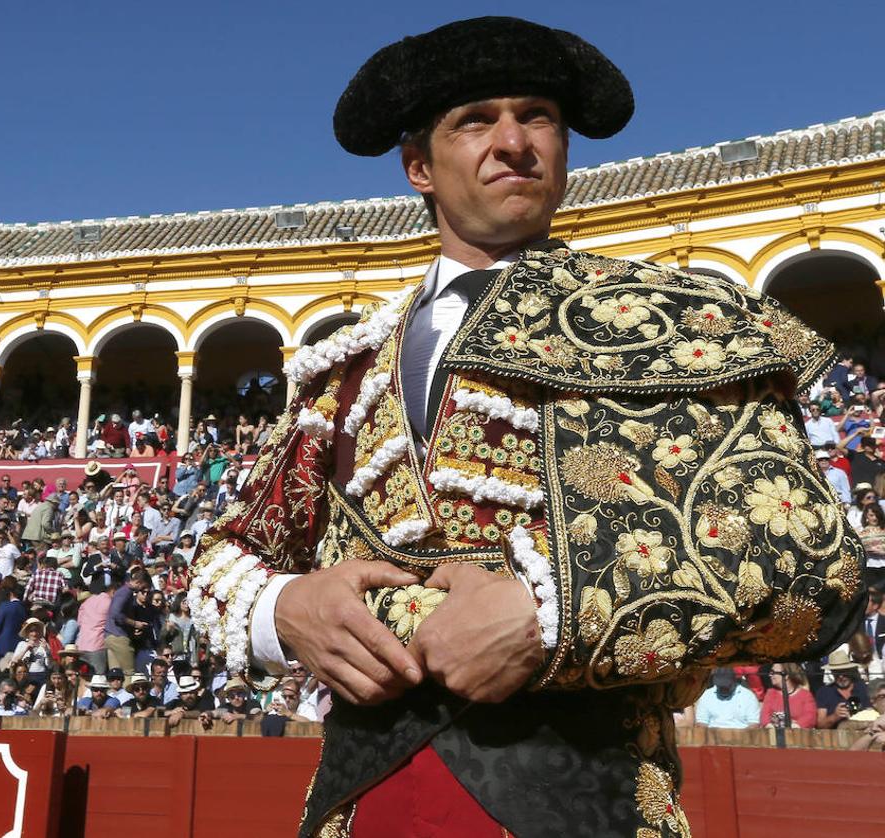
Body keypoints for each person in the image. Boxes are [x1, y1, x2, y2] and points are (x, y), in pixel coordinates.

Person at [187, 17, 867, 836]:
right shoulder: (344, 372)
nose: (513, 141)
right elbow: (227, 554)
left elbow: (806, 559)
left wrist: (554, 619)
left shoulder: (675, 323)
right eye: (475, 120)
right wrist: (284, 607)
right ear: (418, 168)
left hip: (591, 798)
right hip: (360, 802)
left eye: (537, 115)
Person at [816, 650, 870, 729]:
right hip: (835, 737)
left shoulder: (863, 688)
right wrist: (835, 716)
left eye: (843, 671)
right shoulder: (824, 692)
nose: (841, 676)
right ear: (832, 672)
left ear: (850, 670)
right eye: (837, 673)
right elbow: (820, 725)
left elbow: (874, 713)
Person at [759, 663, 816, 729]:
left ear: (786, 676)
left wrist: (795, 726)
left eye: (773, 672)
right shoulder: (771, 693)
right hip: (774, 733)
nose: (770, 675)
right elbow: (764, 715)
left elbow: (810, 716)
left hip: (798, 734)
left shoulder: (805, 695)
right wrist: (770, 726)